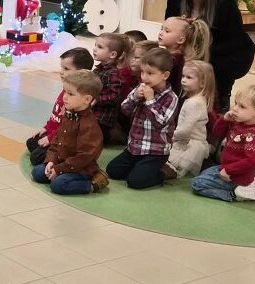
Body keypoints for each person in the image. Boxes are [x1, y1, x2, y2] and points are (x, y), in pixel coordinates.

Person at [165, 0, 255, 110]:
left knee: (214, 68)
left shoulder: (225, 3)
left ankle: (220, 101)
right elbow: (169, 27)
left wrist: (200, 52)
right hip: (186, 49)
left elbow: (234, 40)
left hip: (219, 51)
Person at [108, 48, 179, 189]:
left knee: (135, 182)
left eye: (150, 73)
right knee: (113, 171)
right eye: (142, 72)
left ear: (165, 75)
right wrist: (135, 97)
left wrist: (150, 100)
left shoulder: (171, 98)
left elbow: (160, 122)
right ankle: (141, 168)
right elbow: (124, 109)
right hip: (134, 148)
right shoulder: (140, 88)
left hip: (155, 152)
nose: (144, 77)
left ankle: (164, 172)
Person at [31, 70, 108, 195]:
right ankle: (59, 174)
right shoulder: (68, 114)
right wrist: (51, 161)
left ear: (87, 99)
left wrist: (58, 169)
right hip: (62, 162)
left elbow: (84, 157)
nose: (64, 97)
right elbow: (56, 140)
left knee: (58, 185)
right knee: (37, 173)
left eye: (71, 94)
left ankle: (94, 184)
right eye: (65, 91)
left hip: (80, 169)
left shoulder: (89, 126)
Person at [191, 85, 255, 202]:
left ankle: (233, 194)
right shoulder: (238, 122)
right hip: (227, 167)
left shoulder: (253, 134)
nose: (235, 109)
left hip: (237, 176)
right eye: (236, 103)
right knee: (203, 172)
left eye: (242, 106)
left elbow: (252, 161)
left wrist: (228, 170)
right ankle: (247, 184)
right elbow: (217, 132)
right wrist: (224, 120)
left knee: (197, 184)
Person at [26, 47, 95, 166]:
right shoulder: (66, 89)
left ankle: (61, 158)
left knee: (36, 158)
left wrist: (50, 138)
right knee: (31, 142)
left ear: (81, 72)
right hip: (57, 133)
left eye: (66, 69)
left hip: (66, 139)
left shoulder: (78, 100)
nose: (61, 72)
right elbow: (56, 116)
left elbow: (68, 128)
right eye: (62, 67)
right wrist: (46, 128)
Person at [164, 60, 215, 179]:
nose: (183, 80)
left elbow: (185, 130)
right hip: (185, 141)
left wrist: (169, 137)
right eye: (183, 76)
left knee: (167, 166)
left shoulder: (194, 103)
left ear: (202, 83)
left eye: (189, 77)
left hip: (189, 145)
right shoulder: (198, 100)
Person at [157, 16, 211, 97]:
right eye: (161, 29)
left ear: (181, 40)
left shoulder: (174, 60)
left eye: (167, 31)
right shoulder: (173, 57)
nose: (161, 33)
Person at [92, 33, 129, 139]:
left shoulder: (113, 73)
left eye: (100, 47)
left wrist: (95, 99)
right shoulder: (97, 70)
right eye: (95, 45)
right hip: (93, 113)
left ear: (112, 54)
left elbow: (114, 97)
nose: (94, 49)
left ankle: (113, 135)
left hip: (102, 119)